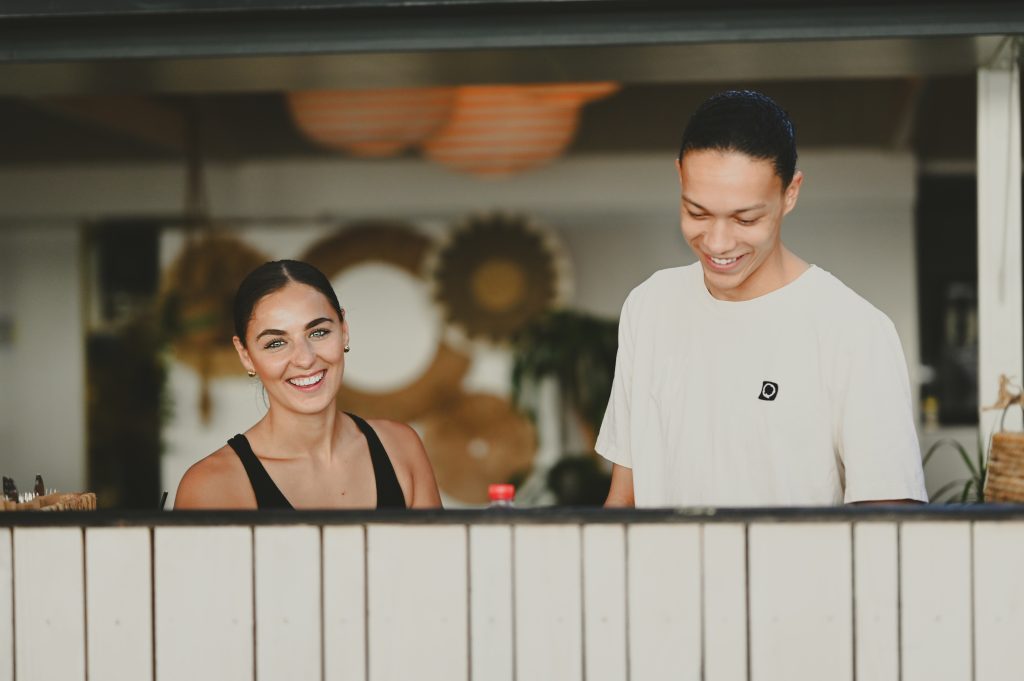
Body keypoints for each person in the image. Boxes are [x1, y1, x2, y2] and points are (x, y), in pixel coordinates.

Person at [597, 90, 928, 507]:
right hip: (661, 575)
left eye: (745, 218)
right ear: (680, 177)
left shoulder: (854, 331)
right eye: (697, 213)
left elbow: (889, 526)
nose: (717, 242)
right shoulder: (648, 307)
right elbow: (623, 500)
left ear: (790, 192)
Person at [175, 259, 442, 509]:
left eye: (319, 332)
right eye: (276, 343)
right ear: (246, 355)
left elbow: (443, 559)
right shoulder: (212, 486)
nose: (305, 359)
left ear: (344, 330)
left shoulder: (400, 448)